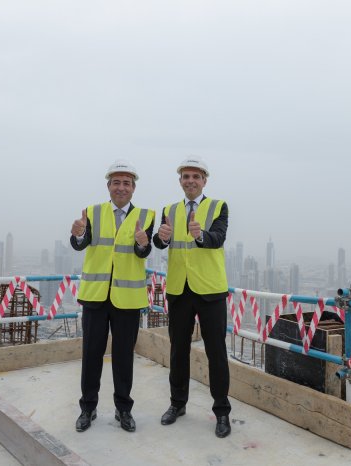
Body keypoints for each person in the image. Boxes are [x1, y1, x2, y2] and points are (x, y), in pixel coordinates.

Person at [70, 159, 155, 433]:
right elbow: (81, 243)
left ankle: (123, 409)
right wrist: (77, 235)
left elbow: (143, 252)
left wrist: (143, 243)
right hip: (95, 296)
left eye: (126, 183)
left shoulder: (146, 216)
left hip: (127, 300)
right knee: (91, 355)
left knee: (123, 357)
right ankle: (87, 408)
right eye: (116, 182)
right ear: (108, 186)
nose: (121, 187)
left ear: (133, 188)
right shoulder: (93, 213)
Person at [152, 156, 232, 438]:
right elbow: (160, 241)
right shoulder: (170, 210)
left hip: (210, 290)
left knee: (216, 353)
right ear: (180, 181)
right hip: (179, 289)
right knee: (178, 350)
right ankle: (177, 403)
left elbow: (218, 238)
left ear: (204, 181)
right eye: (186, 177)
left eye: (196, 177)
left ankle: (221, 411)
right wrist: (161, 238)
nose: (190, 181)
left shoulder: (218, 206)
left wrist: (200, 236)